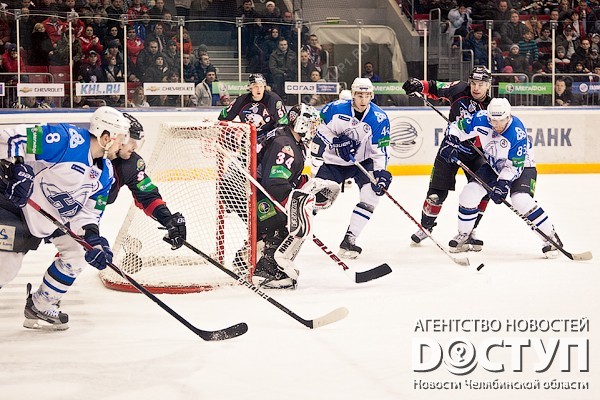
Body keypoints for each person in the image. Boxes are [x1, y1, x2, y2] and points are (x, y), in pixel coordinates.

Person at [0, 106, 130, 330]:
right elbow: (10, 138)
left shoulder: (105, 174)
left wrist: (94, 241)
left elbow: (88, 214)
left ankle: (41, 304)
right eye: (121, 139)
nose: (122, 145)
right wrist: (15, 167)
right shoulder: (66, 140)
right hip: (16, 205)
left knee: (78, 251)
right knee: (6, 268)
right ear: (105, 137)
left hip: (49, 217)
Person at [439, 98, 563, 257]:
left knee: (520, 200)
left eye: (501, 120)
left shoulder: (517, 132)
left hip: (522, 167)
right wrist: (451, 141)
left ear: (508, 116)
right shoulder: (481, 118)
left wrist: (502, 184)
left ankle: (551, 238)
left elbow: (514, 167)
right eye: (493, 120)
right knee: (469, 193)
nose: (496, 125)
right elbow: (456, 127)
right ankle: (466, 235)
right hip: (493, 165)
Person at [402, 65, 492, 250]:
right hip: (450, 148)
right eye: (473, 83)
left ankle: (469, 231)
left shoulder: (493, 108)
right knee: (435, 194)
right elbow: (434, 87)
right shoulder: (459, 88)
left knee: (482, 192)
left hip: (477, 154)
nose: (476, 88)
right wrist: (418, 85)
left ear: (488, 85)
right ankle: (426, 227)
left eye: (481, 84)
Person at [310, 77, 391, 259]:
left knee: (371, 195)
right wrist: (336, 141)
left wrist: (381, 172)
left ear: (372, 96)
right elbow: (319, 127)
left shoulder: (379, 118)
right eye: (359, 95)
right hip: (333, 162)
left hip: (362, 162)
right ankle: (289, 232)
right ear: (353, 95)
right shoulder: (335, 108)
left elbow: (380, 150)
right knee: (316, 198)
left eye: (367, 96)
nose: (363, 100)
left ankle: (350, 238)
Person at [251, 104, 327, 288]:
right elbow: (275, 182)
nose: (314, 129)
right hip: (246, 190)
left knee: (275, 222)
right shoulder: (285, 144)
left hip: (253, 187)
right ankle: (266, 272)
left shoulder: (291, 140)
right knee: (287, 222)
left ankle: (244, 261)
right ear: (300, 123)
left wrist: (307, 185)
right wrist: (293, 205)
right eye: (311, 124)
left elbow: (285, 176)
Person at [107, 113, 186, 251]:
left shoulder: (131, 164)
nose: (135, 146)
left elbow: (147, 196)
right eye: (131, 140)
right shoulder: (88, 154)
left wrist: (167, 218)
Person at [218, 73, 288, 139]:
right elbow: (223, 117)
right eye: (256, 86)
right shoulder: (241, 100)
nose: (259, 89)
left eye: (261, 86)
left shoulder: (273, 100)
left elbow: (283, 123)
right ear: (250, 88)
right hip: (248, 137)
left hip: (269, 137)